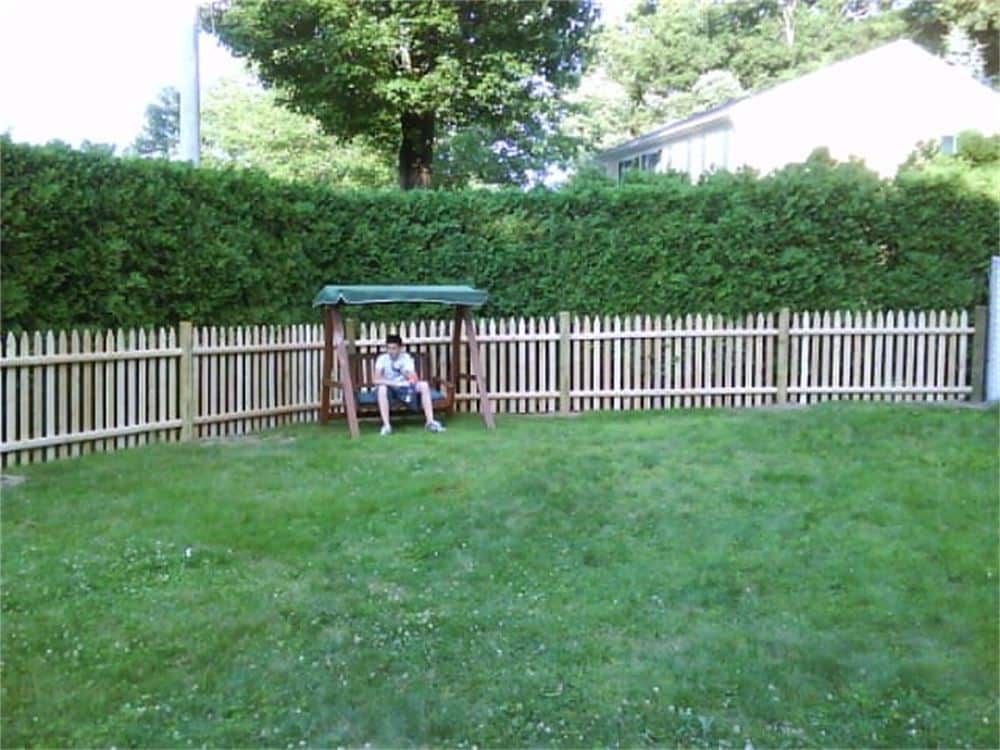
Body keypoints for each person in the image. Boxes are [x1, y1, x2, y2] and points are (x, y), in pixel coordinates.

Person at [373, 333, 446, 436]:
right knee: (382, 389)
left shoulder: (406, 358)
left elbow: (415, 379)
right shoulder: (382, 359)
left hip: (405, 388)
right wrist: (393, 383)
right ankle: (387, 426)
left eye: (394, 348)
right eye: (389, 348)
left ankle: (430, 422)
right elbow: (376, 380)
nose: (391, 351)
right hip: (389, 389)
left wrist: (406, 374)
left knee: (424, 385)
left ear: (400, 348)